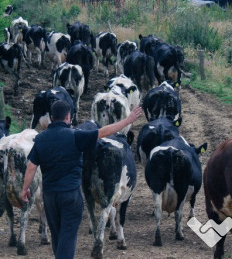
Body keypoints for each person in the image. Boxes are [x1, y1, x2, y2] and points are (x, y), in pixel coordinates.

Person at [20, 100, 142, 259]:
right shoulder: (75, 136)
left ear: (50, 117)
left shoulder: (41, 139)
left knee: (57, 236)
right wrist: (127, 121)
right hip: (71, 196)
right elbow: (103, 132)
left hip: (50, 196)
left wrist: (25, 188)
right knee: (68, 236)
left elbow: (31, 167)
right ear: (68, 117)